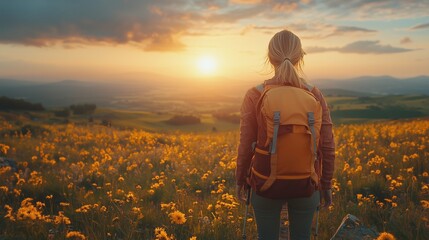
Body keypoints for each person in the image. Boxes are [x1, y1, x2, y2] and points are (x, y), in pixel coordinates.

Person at [236, 29, 335, 240]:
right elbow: (326, 146)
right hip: (307, 182)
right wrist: (325, 185)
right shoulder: (314, 94)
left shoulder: (254, 94)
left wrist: (240, 180)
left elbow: (246, 145)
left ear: (269, 58)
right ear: (301, 58)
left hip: (264, 182)